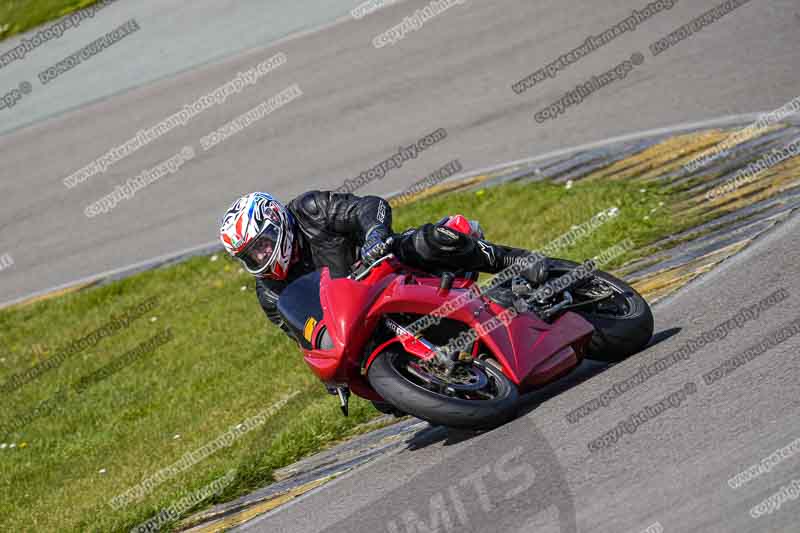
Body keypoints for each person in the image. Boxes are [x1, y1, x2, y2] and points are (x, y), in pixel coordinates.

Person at [219, 191, 547, 335]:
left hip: (387, 268)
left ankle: (513, 260)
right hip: (360, 320)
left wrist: (375, 235)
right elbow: (305, 336)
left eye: (261, 245)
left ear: (276, 223)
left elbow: (368, 206)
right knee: (383, 403)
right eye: (251, 254)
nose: (261, 257)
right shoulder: (270, 293)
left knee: (433, 240)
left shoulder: (310, 209)